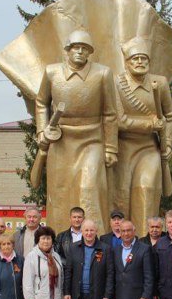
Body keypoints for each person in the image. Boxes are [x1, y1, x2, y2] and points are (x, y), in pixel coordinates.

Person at [35, 29, 118, 232]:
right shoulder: (51, 72)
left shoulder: (102, 73)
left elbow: (110, 113)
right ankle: (58, 241)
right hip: (61, 139)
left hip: (91, 139)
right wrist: (41, 132)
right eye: (76, 48)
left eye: (85, 48)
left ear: (90, 52)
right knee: (59, 191)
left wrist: (110, 147)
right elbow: (41, 102)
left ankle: (94, 241)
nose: (80, 52)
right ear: (68, 50)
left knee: (89, 189)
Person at [112, 37, 172, 234]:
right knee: (121, 197)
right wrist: (150, 124)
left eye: (143, 58)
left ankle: (145, 241)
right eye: (135, 59)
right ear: (126, 62)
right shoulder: (117, 83)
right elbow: (119, 120)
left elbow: (170, 115)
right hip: (123, 148)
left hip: (149, 148)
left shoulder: (160, 83)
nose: (140, 62)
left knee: (146, 190)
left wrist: (169, 144)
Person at [63, 220, 114, 299]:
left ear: (96, 231)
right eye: (86, 230)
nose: (89, 233)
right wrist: (67, 292)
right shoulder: (74, 248)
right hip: (78, 295)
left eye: (92, 230)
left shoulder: (105, 248)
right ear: (82, 232)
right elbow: (68, 271)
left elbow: (110, 273)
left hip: (98, 295)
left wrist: (108, 295)